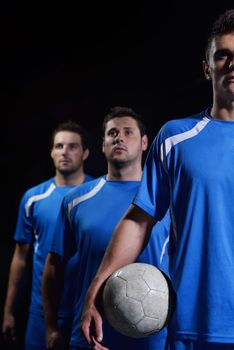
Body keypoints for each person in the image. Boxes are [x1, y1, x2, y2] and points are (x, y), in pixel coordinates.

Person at [80, 9, 234, 350]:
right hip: (194, 327)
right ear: (207, 68)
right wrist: (95, 290)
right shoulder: (176, 138)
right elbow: (139, 220)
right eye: (223, 55)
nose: (232, 64)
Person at [42, 106, 170, 349]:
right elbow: (53, 267)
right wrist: (51, 327)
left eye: (128, 132)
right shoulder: (75, 200)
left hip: (153, 339)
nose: (119, 137)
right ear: (102, 145)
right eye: (112, 133)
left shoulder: (168, 199)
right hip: (92, 337)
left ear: (144, 143)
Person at [2, 120, 94, 349]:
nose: (65, 151)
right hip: (41, 314)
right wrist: (8, 311)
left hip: (85, 311)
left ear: (85, 153)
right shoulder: (33, 199)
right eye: (59, 146)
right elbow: (20, 259)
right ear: (52, 152)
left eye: (73, 146)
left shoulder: (97, 193)